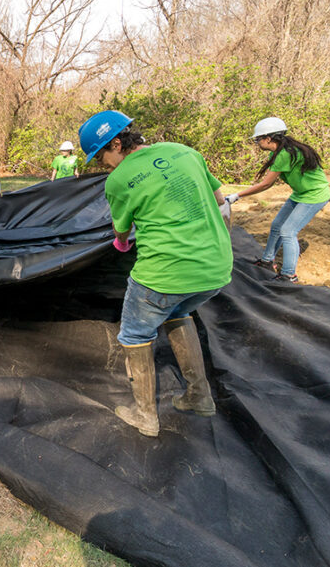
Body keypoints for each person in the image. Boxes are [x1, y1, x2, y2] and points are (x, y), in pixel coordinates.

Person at [79, 110, 232, 438]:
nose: (103, 164)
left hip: (165, 273)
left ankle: (145, 416)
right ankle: (199, 396)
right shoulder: (184, 151)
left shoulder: (119, 180)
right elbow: (221, 202)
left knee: (135, 334)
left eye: (102, 156)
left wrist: (120, 245)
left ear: (117, 143)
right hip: (217, 268)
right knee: (179, 313)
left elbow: (121, 233)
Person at [224, 117, 330, 283]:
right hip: (300, 194)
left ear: (268, 138)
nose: (257, 142)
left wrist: (237, 196)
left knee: (288, 231)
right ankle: (267, 261)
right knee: (277, 226)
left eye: (258, 139)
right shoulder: (282, 152)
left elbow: (266, 184)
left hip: (314, 195)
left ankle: (289, 275)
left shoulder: (285, 154)